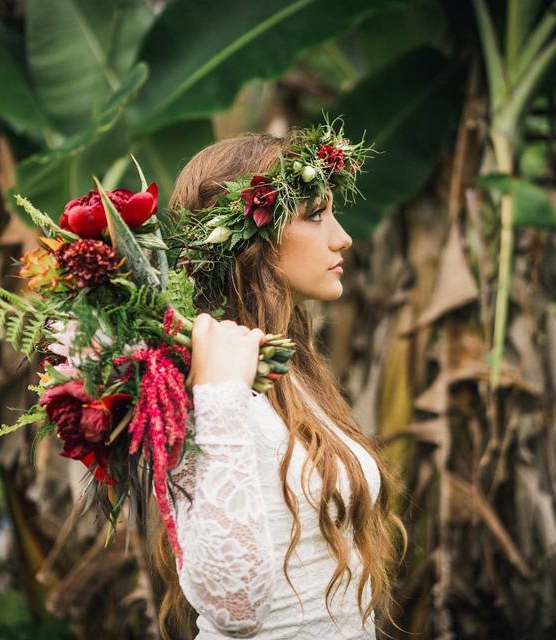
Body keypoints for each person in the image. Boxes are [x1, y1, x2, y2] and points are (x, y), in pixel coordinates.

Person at [153, 122, 406, 639]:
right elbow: (235, 606)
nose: (343, 237)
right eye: (316, 216)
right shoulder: (203, 381)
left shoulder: (293, 373)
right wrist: (219, 393)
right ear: (253, 241)